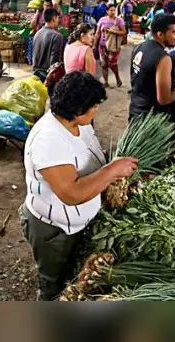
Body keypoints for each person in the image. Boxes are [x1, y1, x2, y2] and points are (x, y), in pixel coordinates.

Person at [21, 71, 138, 301]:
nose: (97, 110)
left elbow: (87, 154)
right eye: (94, 106)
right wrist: (111, 170)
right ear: (76, 109)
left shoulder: (78, 123)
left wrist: (108, 164)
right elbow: (71, 194)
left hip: (78, 223)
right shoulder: (48, 139)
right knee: (52, 282)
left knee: (72, 274)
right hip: (55, 229)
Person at [129, 13, 175, 120]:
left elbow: (135, 80)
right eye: (174, 31)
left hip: (135, 110)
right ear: (160, 34)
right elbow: (163, 99)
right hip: (150, 118)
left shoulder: (139, 47)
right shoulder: (163, 58)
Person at [94, 4, 127, 88]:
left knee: (112, 63)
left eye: (114, 10)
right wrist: (94, 44)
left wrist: (113, 32)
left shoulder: (119, 20)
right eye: (111, 10)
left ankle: (117, 78)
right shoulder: (102, 20)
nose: (113, 12)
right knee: (104, 64)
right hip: (102, 46)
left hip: (113, 46)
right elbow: (97, 33)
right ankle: (106, 82)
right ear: (107, 11)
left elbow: (124, 32)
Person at [31, 8, 66, 78]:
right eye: (57, 18)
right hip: (48, 76)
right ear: (53, 18)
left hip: (35, 74)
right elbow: (54, 62)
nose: (58, 21)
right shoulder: (57, 36)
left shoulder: (37, 33)